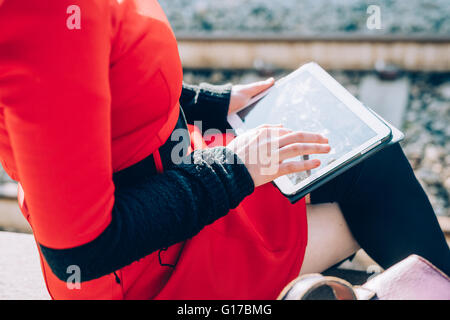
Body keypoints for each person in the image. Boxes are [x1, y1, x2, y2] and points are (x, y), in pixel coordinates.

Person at [0, 0, 448, 300]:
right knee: (374, 189)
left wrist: (209, 104)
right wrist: (236, 167)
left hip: (176, 180)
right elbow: (80, 250)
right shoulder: (46, 17)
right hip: (147, 263)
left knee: (361, 151)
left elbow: (108, 75)